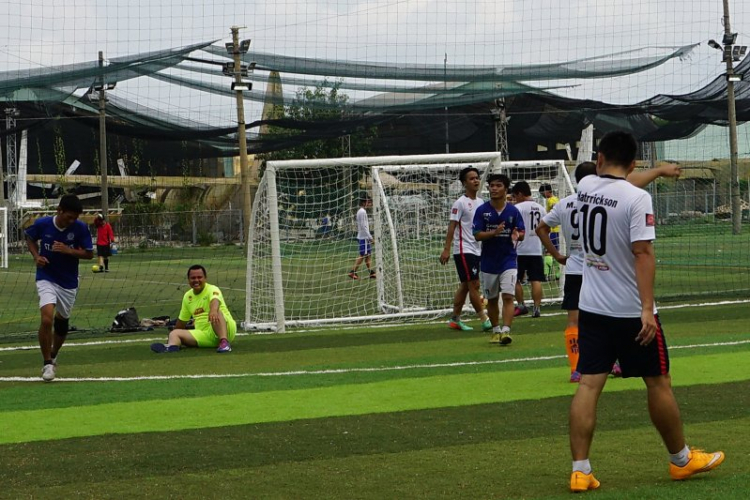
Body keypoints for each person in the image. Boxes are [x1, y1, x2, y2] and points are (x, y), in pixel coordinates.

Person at [567, 131, 723, 492]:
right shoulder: (637, 199)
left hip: (591, 308)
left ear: (601, 159)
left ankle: (580, 470)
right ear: (634, 162)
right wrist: (647, 309)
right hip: (628, 312)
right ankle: (681, 460)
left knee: (589, 385)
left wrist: (657, 172)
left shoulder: (586, 185)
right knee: (657, 382)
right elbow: (643, 254)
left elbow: (622, 184)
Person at [537, 161, 684, 383]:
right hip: (605, 270)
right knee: (615, 321)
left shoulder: (565, 203)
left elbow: (541, 228)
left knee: (577, 323)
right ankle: (614, 361)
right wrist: (659, 171)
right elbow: (642, 250)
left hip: (578, 270)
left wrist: (557, 255)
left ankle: (577, 367)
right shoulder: (614, 199)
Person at [24, 194, 94, 382]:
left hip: (69, 282)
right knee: (47, 319)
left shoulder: (80, 228)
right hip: (46, 276)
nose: (72, 221)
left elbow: (89, 254)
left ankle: (54, 354)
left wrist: (68, 250)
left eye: (75, 218)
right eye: (69, 217)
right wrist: (36, 256)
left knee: (62, 321)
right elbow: (29, 238)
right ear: (59, 211)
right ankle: (47, 362)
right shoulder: (43, 224)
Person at [472, 174, 525, 345]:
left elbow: (522, 232)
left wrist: (519, 234)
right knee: (492, 299)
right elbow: (477, 235)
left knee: (508, 297)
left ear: (506, 189)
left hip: (508, 260)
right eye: (491, 185)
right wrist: (493, 233)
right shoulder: (482, 210)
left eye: (498, 185)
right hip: (488, 261)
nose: (494, 188)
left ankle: (506, 331)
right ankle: (495, 330)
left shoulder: (513, 211)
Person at [439, 167, 490, 332]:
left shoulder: (481, 202)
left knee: (465, 285)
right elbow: (452, 226)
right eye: (471, 178)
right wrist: (446, 249)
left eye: (477, 178)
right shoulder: (460, 203)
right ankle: (484, 319)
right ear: (464, 183)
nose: (475, 181)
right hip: (463, 249)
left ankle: (455, 319)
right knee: (473, 284)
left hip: (477, 249)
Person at [151, 265, 236, 353]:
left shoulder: (213, 289)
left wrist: (213, 310)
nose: (196, 280)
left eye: (199, 277)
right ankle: (171, 347)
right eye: (193, 278)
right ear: (188, 280)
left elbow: (215, 301)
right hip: (204, 334)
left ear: (205, 278)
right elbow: (182, 322)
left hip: (226, 330)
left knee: (216, 312)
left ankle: (224, 343)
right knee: (174, 333)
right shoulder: (187, 296)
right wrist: (173, 336)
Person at [510, 181, 547, 318]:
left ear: (520, 194)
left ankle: (521, 305)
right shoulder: (541, 208)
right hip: (536, 248)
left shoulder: (517, 208)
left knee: (515, 279)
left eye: (515, 195)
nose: (514, 198)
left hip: (519, 249)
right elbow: (545, 228)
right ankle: (537, 308)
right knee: (535, 279)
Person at [348, 197, 376, 280]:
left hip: (363, 236)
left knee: (368, 255)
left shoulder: (361, 211)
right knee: (363, 255)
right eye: (369, 202)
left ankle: (372, 273)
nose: (370, 204)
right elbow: (364, 226)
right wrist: (370, 238)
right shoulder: (362, 212)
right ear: (364, 202)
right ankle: (352, 271)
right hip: (364, 237)